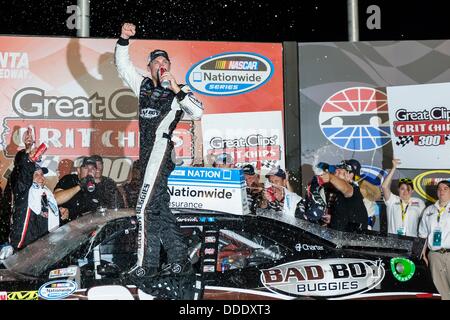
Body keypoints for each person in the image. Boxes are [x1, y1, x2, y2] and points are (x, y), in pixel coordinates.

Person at [115, 22, 203, 277]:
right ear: (150, 67)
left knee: (143, 209)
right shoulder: (142, 85)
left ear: (170, 67)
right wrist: (123, 39)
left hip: (160, 152)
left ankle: (146, 265)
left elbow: (197, 111)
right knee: (160, 209)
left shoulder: (179, 92)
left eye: (165, 61)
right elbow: (122, 65)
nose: (161, 64)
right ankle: (180, 259)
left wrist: (175, 86)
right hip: (147, 155)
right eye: (156, 61)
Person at [9, 148, 67, 250]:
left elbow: (45, 220)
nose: (41, 177)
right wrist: (29, 160)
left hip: (41, 248)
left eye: (42, 174)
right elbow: (23, 178)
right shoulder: (24, 192)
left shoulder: (46, 194)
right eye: (36, 175)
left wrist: (60, 215)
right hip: (22, 247)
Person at [418, 180, 450, 300]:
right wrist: (424, 256)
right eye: (439, 189)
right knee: (441, 293)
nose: (441, 191)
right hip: (435, 256)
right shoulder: (428, 211)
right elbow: (422, 235)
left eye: (445, 188)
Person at [320, 159, 368, 232]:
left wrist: (330, 177)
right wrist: (333, 219)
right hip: (344, 238)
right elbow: (346, 217)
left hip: (353, 241)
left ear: (350, 175)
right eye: (335, 172)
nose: (335, 174)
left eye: (339, 172)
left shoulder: (353, 190)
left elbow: (346, 189)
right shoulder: (339, 193)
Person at [381, 159, 425, 236]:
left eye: (408, 189)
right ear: (398, 190)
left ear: (412, 191)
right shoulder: (392, 200)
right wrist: (394, 168)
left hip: (411, 242)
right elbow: (384, 186)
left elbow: (425, 222)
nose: (405, 192)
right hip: (393, 241)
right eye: (402, 189)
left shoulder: (419, 202)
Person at [54, 156, 100, 222]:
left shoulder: (98, 187)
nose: (90, 171)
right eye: (86, 168)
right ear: (78, 170)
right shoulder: (69, 179)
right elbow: (56, 199)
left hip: (89, 226)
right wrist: (80, 186)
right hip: (68, 227)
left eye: (93, 168)